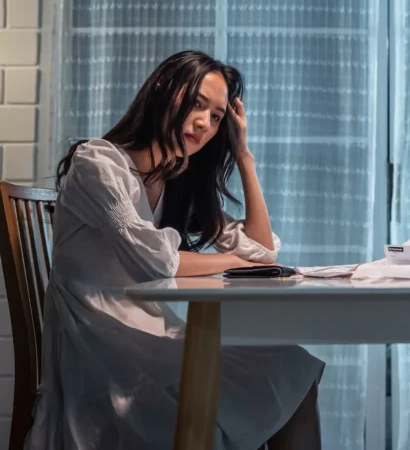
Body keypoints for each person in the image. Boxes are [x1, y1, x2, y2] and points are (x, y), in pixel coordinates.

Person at [25, 51, 325, 449]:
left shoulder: (174, 177)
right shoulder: (97, 163)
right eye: (198, 104)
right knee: (280, 374)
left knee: (292, 367)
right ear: (165, 91)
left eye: (217, 117)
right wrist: (235, 261)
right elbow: (153, 260)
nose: (204, 122)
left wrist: (244, 157)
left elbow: (264, 253)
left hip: (147, 334)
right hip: (100, 347)